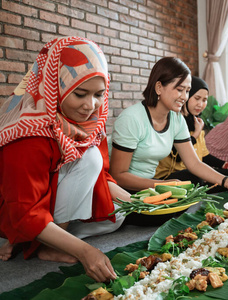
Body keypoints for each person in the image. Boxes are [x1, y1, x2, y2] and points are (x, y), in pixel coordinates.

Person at [0, 37, 130, 282]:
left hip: (53, 203)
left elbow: (102, 176)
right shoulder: (28, 130)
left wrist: (141, 203)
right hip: (18, 208)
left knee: (121, 213)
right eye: (80, 94)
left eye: (99, 94)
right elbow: (24, 208)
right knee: (90, 157)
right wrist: (85, 252)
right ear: (55, 86)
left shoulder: (92, 123)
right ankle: (44, 242)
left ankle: (36, 239)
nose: (90, 106)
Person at [109, 57, 228, 198]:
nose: (184, 97)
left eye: (187, 91)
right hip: (125, 192)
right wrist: (160, 185)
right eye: (180, 89)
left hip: (151, 187)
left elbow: (194, 163)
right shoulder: (132, 119)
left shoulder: (176, 118)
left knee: (189, 184)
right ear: (159, 87)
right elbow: (118, 176)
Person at [155, 76, 228, 191]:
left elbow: (204, 155)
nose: (200, 104)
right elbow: (177, 157)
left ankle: (204, 187)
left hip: (195, 173)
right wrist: (195, 134)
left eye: (204, 100)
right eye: (196, 98)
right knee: (195, 178)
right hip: (169, 177)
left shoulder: (197, 122)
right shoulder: (173, 120)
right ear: (186, 97)